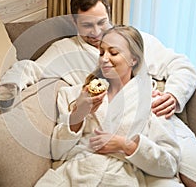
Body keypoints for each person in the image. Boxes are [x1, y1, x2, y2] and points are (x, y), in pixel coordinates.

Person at [0, 0, 196, 186]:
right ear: (75, 23)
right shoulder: (64, 51)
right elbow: (29, 68)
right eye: (87, 25)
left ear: (110, 15)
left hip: (158, 122)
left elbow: (181, 64)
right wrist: (4, 90)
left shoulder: (133, 40)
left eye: (102, 23)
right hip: (106, 137)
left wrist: (173, 94)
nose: (96, 33)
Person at [35, 25, 183, 186]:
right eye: (101, 52)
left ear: (134, 59)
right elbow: (57, 152)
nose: (104, 59)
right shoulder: (74, 94)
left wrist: (126, 145)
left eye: (113, 53)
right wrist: (78, 114)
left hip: (118, 179)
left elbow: (169, 165)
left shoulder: (152, 101)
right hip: (72, 176)